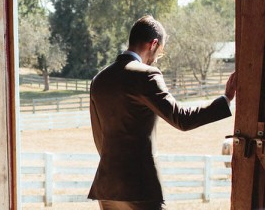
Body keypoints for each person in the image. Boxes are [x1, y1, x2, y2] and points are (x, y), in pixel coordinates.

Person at [88, 15, 237, 210]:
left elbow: (99, 136)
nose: (158, 58)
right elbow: (181, 118)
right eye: (160, 52)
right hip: (140, 187)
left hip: (106, 186)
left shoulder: (99, 80)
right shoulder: (147, 75)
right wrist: (225, 99)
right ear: (153, 44)